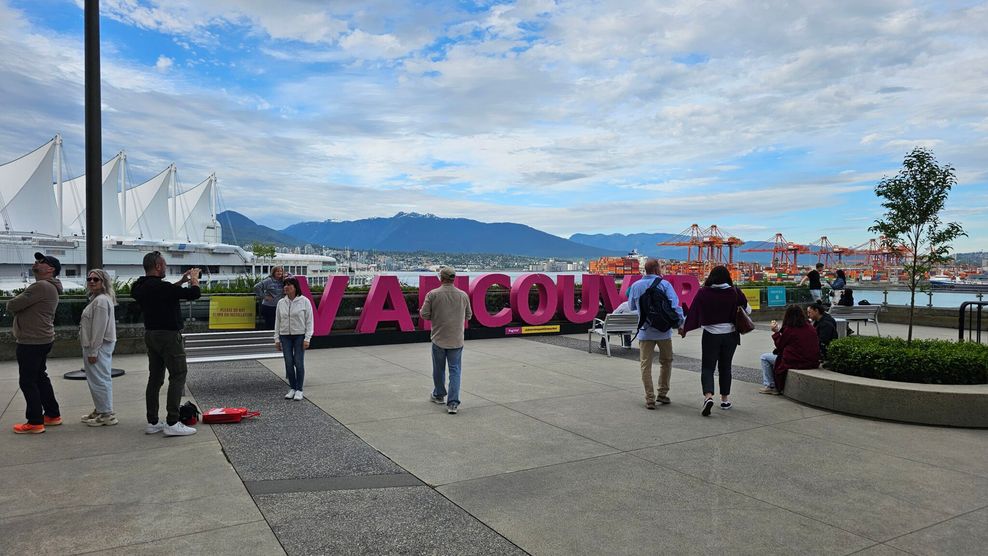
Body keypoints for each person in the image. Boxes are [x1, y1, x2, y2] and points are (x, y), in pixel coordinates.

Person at [131, 252, 201, 436]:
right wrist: (194, 279)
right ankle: (172, 422)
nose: (166, 267)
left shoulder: (139, 286)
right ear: (158, 266)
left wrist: (180, 281)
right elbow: (194, 294)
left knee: (155, 378)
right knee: (178, 375)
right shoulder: (162, 288)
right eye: (165, 264)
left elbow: (166, 291)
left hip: (151, 335)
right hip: (169, 336)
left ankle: (153, 421)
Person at [6, 252, 64, 434]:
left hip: (32, 340)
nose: (36, 263)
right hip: (42, 339)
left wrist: (17, 301)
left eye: (41, 261)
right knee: (40, 377)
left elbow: (12, 305)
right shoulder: (49, 287)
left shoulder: (41, 286)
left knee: (27, 381)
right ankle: (52, 415)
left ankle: (34, 422)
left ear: (51, 269)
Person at [682, 265, 749, 415]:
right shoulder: (735, 292)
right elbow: (748, 310)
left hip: (710, 335)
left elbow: (693, 312)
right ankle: (725, 400)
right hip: (730, 335)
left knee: (708, 367)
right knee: (726, 367)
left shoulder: (703, 292)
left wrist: (684, 328)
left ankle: (708, 396)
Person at [627, 259, 684, 410]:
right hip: (664, 332)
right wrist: (680, 324)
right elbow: (675, 305)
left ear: (645, 270)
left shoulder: (635, 285)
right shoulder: (665, 284)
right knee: (666, 362)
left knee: (645, 365)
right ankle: (662, 394)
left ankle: (649, 398)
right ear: (657, 269)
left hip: (645, 332)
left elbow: (631, 306)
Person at [420, 267, 472, 415]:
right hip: (456, 339)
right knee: (455, 371)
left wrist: (436, 317)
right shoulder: (463, 295)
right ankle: (453, 403)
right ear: (453, 278)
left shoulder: (433, 294)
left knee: (439, 369)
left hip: (438, 338)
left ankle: (439, 395)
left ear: (440, 278)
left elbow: (424, 314)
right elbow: (468, 316)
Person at [79, 269, 118, 427]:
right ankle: (101, 409)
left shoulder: (101, 301)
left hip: (98, 346)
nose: (92, 281)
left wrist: (93, 351)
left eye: (96, 279)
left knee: (99, 380)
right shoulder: (98, 299)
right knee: (98, 379)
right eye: (89, 279)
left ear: (103, 282)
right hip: (98, 345)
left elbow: (98, 328)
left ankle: (106, 414)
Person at [760, 305, 820, 394]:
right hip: (812, 361)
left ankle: (771, 385)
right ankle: (771, 385)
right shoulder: (810, 327)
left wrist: (776, 332)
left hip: (796, 361)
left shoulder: (790, 329)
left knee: (764, 357)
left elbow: (780, 345)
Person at [274, 277, 314, 401]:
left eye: (289, 285)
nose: (286, 287)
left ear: (295, 287)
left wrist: (308, 338)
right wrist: (276, 338)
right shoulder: (281, 302)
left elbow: (309, 321)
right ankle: (292, 387)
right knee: (289, 362)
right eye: (285, 285)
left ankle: (299, 389)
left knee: (298, 362)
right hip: (285, 336)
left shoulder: (304, 301)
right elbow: (278, 321)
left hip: (299, 335)